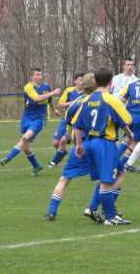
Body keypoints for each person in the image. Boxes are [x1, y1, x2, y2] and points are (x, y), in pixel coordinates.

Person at [74, 66, 134, 225]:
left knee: (120, 172)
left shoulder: (86, 99)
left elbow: (77, 125)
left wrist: (79, 145)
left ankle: (94, 207)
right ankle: (110, 217)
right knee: (107, 180)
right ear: (111, 81)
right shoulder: (111, 99)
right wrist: (128, 132)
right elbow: (127, 120)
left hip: (90, 142)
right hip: (104, 143)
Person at [44, 74, 96, 220]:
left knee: (64, 180)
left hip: (79, 146)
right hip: (98, 145)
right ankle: (97, 207)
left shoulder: (74, 103)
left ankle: (52, 211)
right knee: (113, 175)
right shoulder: (102, 99)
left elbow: (69, 129)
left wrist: (77, 145)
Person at [0, 67, 61, 176]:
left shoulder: (46, 86)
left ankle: (7, 158)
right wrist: (53, 93)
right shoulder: (28, 87)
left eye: (41, 74)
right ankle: (36, 166)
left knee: (25, 138)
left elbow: (49, 100)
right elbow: (38, 98)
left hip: (38, 120)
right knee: (25, 147)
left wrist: (53, 109)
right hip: (26, 118)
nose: (40, 76)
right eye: (37, 74)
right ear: (31, 77)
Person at [48, 73, 85, 168]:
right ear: (75, 81)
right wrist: (70, 103)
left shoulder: (87, 93)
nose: (82, 82)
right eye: (80, 80)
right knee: (55, 143)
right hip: (66, 119)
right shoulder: (69, 91)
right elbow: (60, 104)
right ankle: (63, 153)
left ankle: (53, 162)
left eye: (83, 80)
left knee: (63, 140)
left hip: (77, 121)